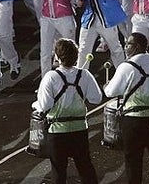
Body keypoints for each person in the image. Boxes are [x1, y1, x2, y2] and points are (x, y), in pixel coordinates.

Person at [103, 32, 149, 184]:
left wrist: (107, 86)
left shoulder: (126, 67)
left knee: (133, 159)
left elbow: (111, 92)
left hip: (133, 120)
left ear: (138, 46)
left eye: (129, 44)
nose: (125, 47)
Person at [34, 38, 101, 184]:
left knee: (59, 171)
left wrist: (36, 104)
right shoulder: (84, 74)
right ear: (76, 57)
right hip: (79, 130)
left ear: (57, 57)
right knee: (85, 167)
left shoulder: (50, 77)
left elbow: (45, 105)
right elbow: (96, 98)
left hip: (57, 133)